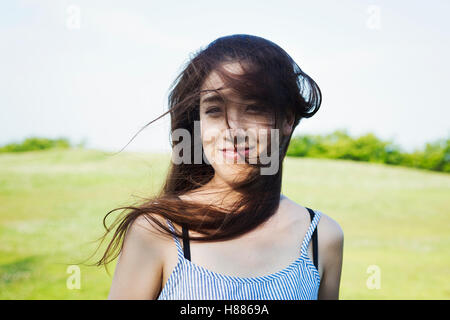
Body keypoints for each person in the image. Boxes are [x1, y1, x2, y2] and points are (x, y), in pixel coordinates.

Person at [96, 34, 344, 300]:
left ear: (286, 119)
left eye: (254, 108)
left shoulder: (321, 238)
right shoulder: (157, 230)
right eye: (214, 110)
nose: (232, 130)